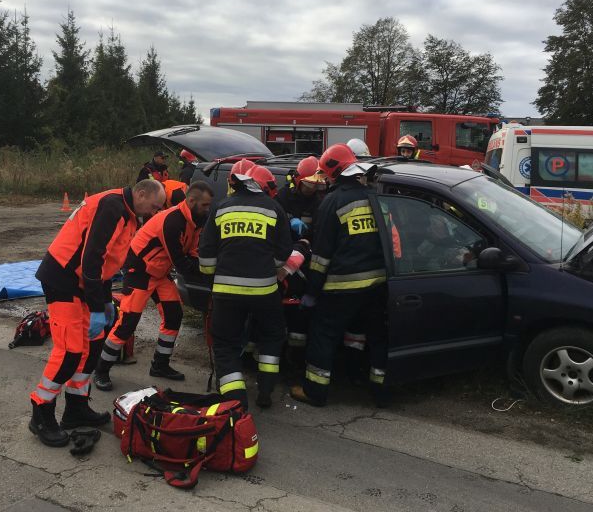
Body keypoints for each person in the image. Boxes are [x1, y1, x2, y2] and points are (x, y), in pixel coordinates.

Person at [29, 179, 166, 447]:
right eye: (154, 205)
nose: (155, 212)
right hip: (63, 279)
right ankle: (41, 413)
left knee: (92, 347)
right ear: (140, 194)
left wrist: (103, 302)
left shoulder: (129, 214)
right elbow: (91, 258)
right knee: (69, 351)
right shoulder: (112, 207)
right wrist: (96, 307)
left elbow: (105, 263)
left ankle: (76, 408)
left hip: (84, 282)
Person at [290, 143, 389, 408]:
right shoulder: (374, 196)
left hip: (341, 285)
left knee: (323, 334)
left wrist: (312, 291)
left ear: (333, 172)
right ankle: (377, 389)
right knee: (370, 335)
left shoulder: (332, 202)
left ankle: (315, 391)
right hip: (377, 283)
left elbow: (321, 257)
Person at [94, 182, 214, 391]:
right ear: (191, 201)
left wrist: (201, 266)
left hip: (159, 272)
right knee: (128, 322)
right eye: (204, 205)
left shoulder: (198, 219)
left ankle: (160, 365)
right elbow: (180, 261)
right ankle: (101, 370)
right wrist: (209, 276)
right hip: (139, 271)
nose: (208, 209)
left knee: (174, 315)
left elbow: (193, 251)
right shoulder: (173, 221)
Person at [198, 162, 293, 409]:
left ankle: (235, 403)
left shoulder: (220, 208)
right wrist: (264, 266)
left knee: (226, 345)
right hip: (264, 291)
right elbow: (283, 254)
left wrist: (215, 277)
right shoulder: (274, 208)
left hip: (226, 293)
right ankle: (266, 390)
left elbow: (206, 256)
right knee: (271, 337)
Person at [275, 156, 326, 239]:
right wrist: (290, 220)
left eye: (316, 185)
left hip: (307, 244)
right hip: (287, 244)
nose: (312, 189)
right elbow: (274, 218)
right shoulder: (284, 195)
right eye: (310, 184)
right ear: (299, 181)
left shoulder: (319, 200)